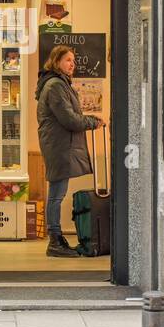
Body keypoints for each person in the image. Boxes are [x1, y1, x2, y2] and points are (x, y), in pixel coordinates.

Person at [35, 44, 102, 258]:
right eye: (67, 60)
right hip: (58, 146)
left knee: (57, 193)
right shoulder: (55, 85)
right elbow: (69, 119)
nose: (72, 64)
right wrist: (92, 122)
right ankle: (55, 241)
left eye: (73, 60)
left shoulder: (60, 83)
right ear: (56, 62)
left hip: (60, 144)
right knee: (56, 195)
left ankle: (56, 239)